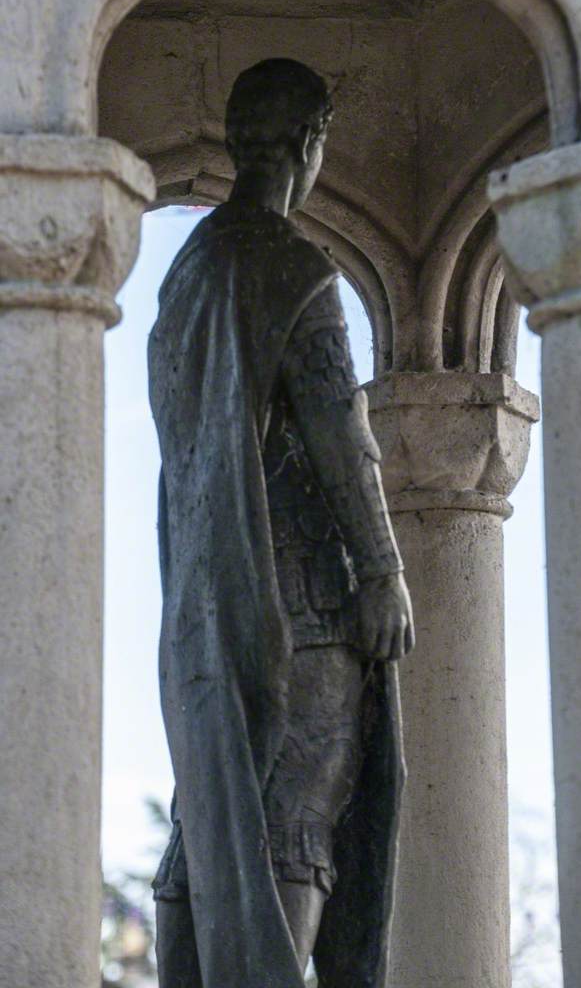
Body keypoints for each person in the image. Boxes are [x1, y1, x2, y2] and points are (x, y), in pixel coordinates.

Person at [148, 58, 414, 988]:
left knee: (212, 823)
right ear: (310, 143)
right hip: (302, 605)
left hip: (204, 619)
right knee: (298, 818)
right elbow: (344, 433)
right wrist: (381, 571)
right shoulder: (297, 267)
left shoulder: (183, 276)